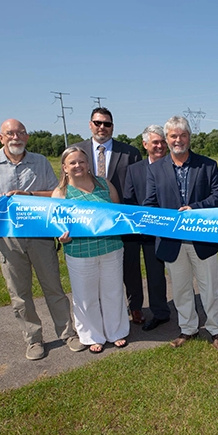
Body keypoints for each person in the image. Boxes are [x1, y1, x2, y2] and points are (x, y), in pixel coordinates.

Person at [0, 119, 83, 360]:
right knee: (19, 293)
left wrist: (27, 195)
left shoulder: (39, 161)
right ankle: (34, 340)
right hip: (7, 240)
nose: (15, 137)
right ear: (1, 138)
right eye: (10, 133)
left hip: (40, 237)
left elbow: (55, 194)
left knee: (54, 288)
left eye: (20, 133)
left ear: (27, 137)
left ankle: (68, 333)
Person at [143, 115, 218, 350]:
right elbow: (149, 203)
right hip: (172, 241)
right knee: (180, 289)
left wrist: (195, 209)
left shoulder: (207, 164)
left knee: (209, 288)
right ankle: (188, 328)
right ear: (167, 139)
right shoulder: (156, 169)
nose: (178, 140)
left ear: (189, 137)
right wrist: (169, 220)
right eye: (173, 136)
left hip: (203, 239)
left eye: (182, 135)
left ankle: (215, 329)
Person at [71, 107, 144, 324]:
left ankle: (136, 306)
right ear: (90, 124)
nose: (102, 127)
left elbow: (138, 185)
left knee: (130, 265)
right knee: (95, 269)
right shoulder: (77, 152)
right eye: (98, 122)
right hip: (88, 223)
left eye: (107, 123)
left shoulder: (130, 152)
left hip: (123, 219)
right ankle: (100, 310)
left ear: (113, 126)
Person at [53, 147, 129, 353]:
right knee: (85, 296)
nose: (78, 166)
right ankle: (92, 336)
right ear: (65, 168)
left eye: (82, 161)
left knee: (113, 292)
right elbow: (56, 225)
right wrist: (62, 235)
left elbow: (119, 212)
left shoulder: (104, 184)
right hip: (79, 252)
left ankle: (117, 332)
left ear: (88, 164)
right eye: (72, 163)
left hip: (111, 247)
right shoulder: (61, 193)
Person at [122, 125, 171, 331]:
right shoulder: (134, 170)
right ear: (145, 145)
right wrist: (141, 220)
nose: (159, 146)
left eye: (162, 142)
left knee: (156, 273)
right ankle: (136, 308)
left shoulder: (173, 166)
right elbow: (128, 198)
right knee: (131, 271)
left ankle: (160, 312)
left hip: (161, 231)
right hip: (135, 231)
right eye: (155, 142)